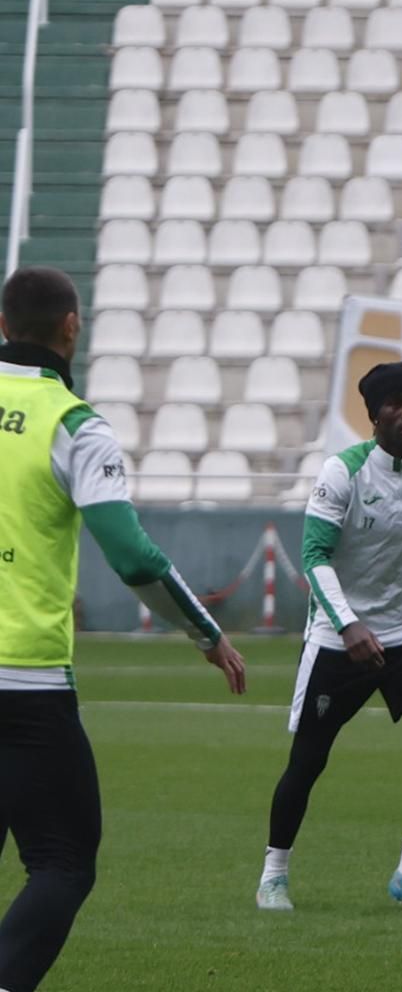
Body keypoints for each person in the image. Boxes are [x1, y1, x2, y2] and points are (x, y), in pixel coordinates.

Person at [0, 265, 246, 992]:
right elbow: (133, 555)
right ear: (72, 325)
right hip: (25, 682)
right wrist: (208, 633)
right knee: (64, 859)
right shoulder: (74, 425)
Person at [257, 360, 402, 913]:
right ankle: (273, 875)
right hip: (339, 639)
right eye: (396, 403)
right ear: (373, 415)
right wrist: (347, 623)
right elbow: (313, 557)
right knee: (308, 761)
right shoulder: (344, 472)